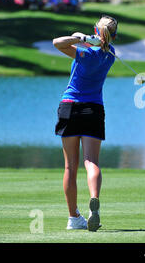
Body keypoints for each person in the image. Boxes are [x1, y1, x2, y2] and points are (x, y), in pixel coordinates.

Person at [52, 15, 118, 231]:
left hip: (70, 106)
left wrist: (78, 37)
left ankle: (73, 218)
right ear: (114, 35)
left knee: (71, 166)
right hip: (93, 109)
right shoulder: (111, 54)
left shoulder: (85, 53)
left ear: (95, 31)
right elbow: (102, 46)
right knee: (91, 161)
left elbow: (57, 43)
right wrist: (91, 40)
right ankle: (94, 201)